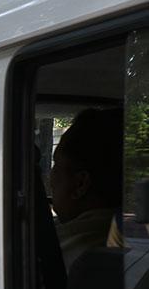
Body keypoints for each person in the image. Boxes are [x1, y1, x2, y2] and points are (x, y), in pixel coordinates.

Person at [50, 108, 123, 271]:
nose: (51, 178)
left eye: (56, 166)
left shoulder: (59, 250)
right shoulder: (133, 237)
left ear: (80, 184)